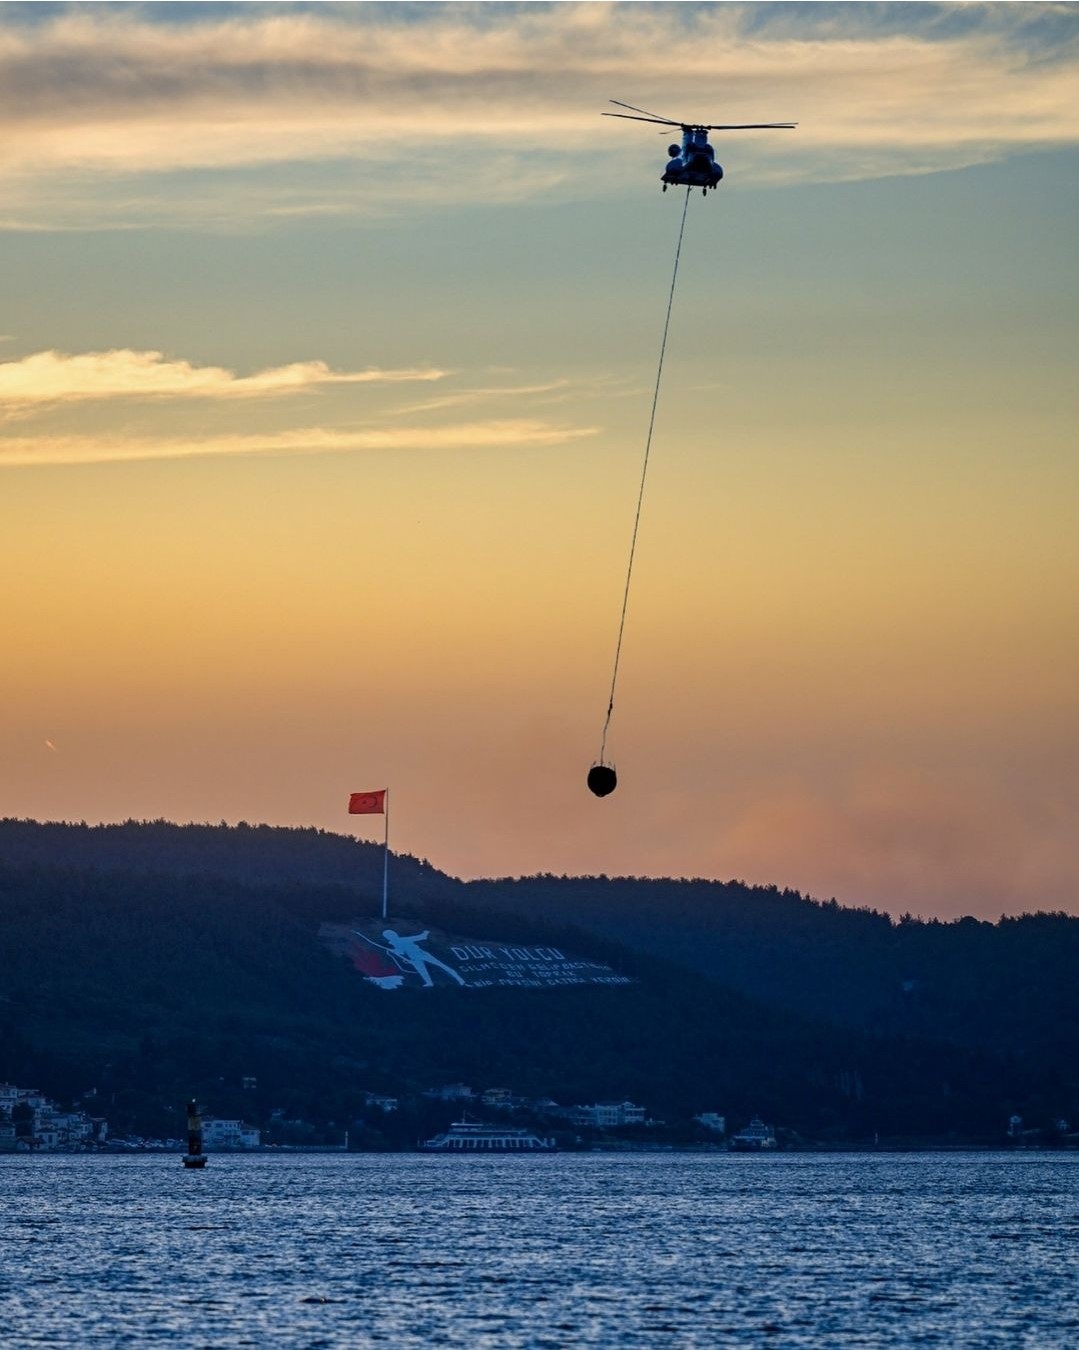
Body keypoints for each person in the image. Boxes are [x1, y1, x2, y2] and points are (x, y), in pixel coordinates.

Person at [382, 929, 466, 988]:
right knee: (422, 971)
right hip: (413, 957)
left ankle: (460, 980)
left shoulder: (402, 940)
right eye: (389, 936)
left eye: (391, 934)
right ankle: (429, 983)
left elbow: (419, 938)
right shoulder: (395, 942)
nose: (392, 936)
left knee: (441, 966)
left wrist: (425, 933)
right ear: (388, 937)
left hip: (421, 953)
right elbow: (401, 952)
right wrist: (394, 951)